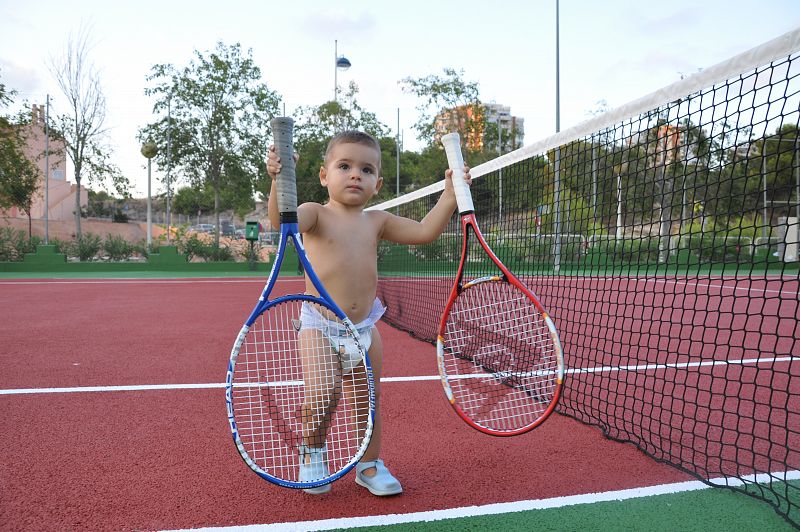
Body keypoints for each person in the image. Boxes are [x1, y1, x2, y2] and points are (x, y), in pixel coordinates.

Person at [266, 130, 471, 496]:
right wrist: (278, 183)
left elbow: (425, 232)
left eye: (366, 169)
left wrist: (451, 195)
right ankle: (312, 453)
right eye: (344, 166)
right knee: (322, 394)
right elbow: (282, 223)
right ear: (324, 175)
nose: (355, 174)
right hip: (320, 326)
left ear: (377, 183)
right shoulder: (314, 213)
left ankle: (369, 465)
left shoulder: (377, 221)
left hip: (364, 329)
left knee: (368, 402)